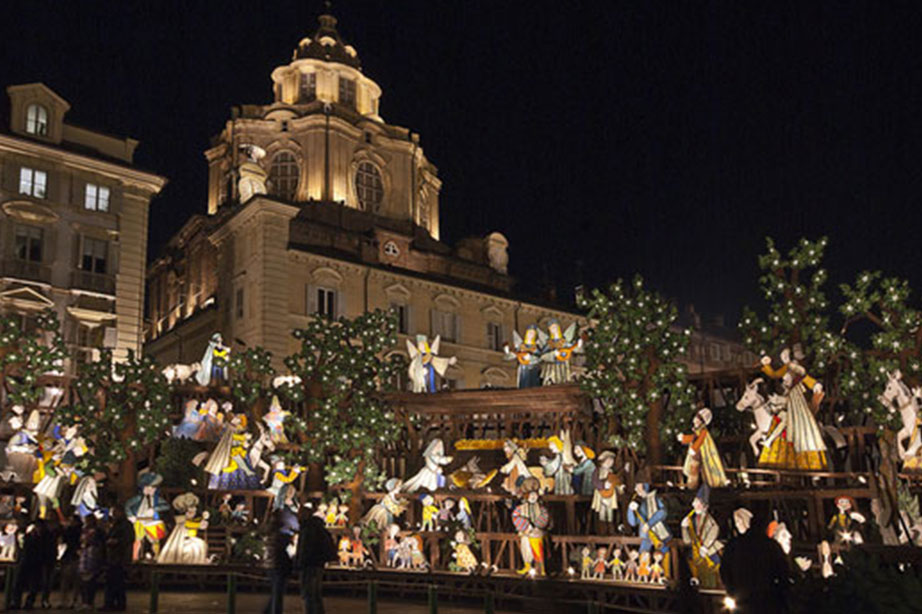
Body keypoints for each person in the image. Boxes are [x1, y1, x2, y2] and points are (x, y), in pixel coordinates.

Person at [720, 512, 791, 614]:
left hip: (741, 598)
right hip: (766, 599)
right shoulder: (771, 546)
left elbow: (724, 570)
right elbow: (783, 572)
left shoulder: (734, 544)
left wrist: (731, 590)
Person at [297, 505, 337, 614]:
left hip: (308, 564)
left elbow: (304, 548)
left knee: (308, 594)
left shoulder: (307, 528)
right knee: (316, 593)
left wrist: (299, 563)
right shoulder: (317, 526)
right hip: (319, 563)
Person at [103, 506, 133, 611]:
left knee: (118, 582)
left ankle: (119, 604)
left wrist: (116, 542)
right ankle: (110, 603)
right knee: (111, 581)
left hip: (119, 558)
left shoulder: (126, 525)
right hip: (112, 557)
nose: (114, 515)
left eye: (115, 512)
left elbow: (128, 539)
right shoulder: (116, 525)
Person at [263, 510, 294, 614]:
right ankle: (275, 611)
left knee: (275, 592)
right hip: (279, 564)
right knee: (278, 593)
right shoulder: (280, 534)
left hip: (271, 564)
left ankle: (268, 611)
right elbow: (283, 546)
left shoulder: (269, 531)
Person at [78, 514, 106, 611]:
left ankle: (89, 601)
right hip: (84, 556)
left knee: (91, 581)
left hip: (93, 556)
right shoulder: (83, 530)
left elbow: (102, 543)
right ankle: (84, 601)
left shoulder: (98, 531)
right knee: (83, 581)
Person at [57, 515, 83, 609]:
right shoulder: (70, 531)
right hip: (71, 556)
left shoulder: (75, 531)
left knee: (72, 580)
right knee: (68, 580)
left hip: (73, 556)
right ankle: (68, 600)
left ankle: (70, 600)